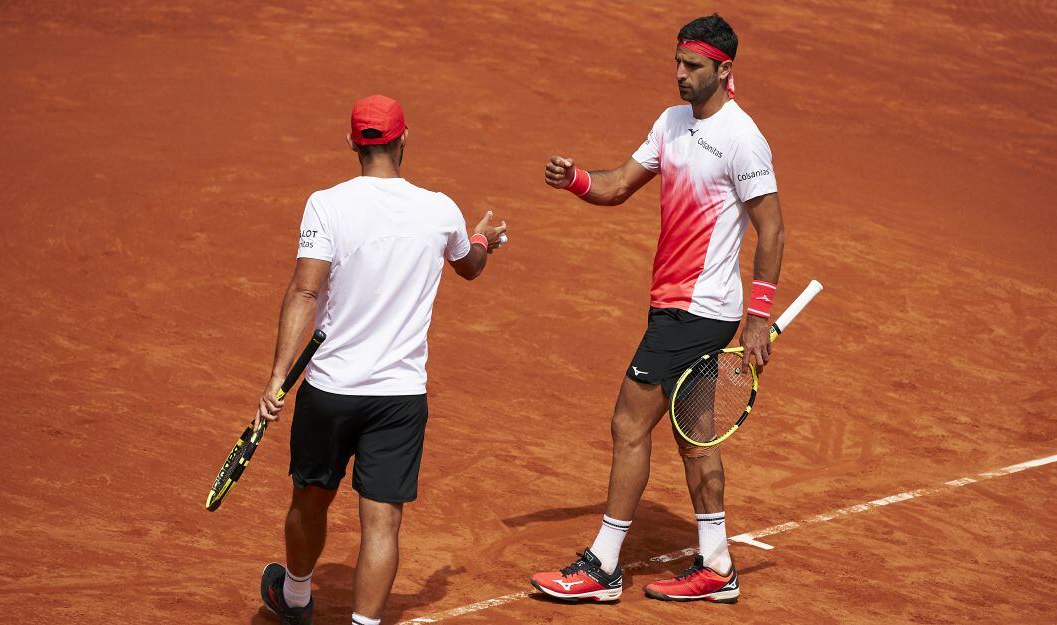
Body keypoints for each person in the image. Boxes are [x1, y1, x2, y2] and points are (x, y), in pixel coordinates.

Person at [530, 14, 785, 604]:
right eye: (677, 63)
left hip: (698, 309)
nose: (679, 75)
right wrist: (575, 180)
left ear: (724, 70)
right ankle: (717, 566)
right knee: (695, 437)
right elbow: (618, 185)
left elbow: (771, 230)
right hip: (672, 303)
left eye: (692, 67)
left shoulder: (744, 138)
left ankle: (603, 566)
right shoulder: (670, 124)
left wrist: (758, 318)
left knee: (627, 422)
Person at [254, 95, 507, 625]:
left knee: (309, 499)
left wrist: (278, 376)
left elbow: (304, 292)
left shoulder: (326, 204)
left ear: (352, 143)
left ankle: (295, 594)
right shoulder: (440, 209)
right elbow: (471, 265)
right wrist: (482, 236)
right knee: (382, 525)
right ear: (404, 138)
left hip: (328, 391)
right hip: (398, 398)